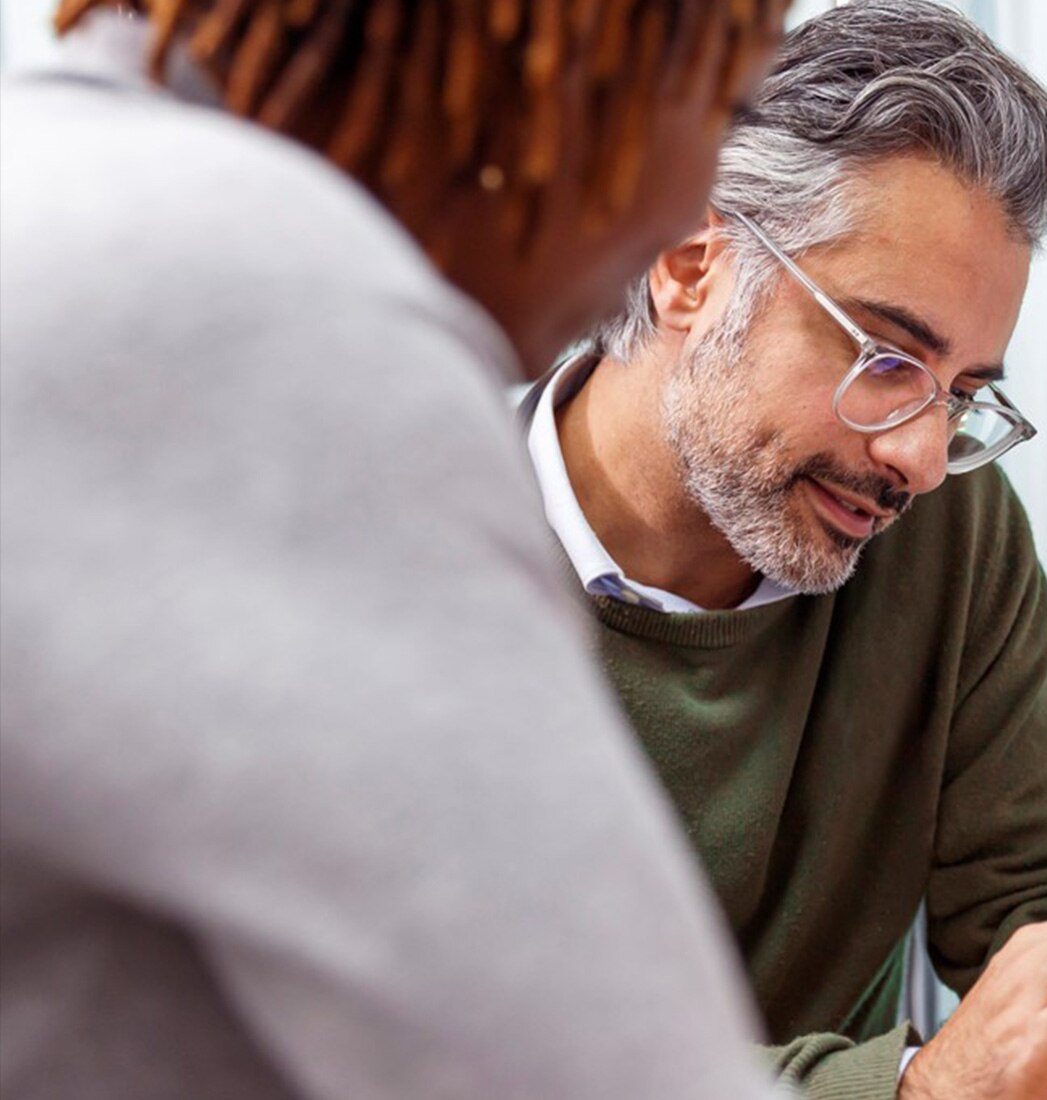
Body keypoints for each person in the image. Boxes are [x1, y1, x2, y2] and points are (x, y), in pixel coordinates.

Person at [0, 2, 787, 1099]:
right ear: (570, 57)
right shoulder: (275, 317)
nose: (686, 216)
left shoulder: (51, 177)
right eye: (727, 109)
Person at [519, 3, 1047, 1099]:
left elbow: (1026, 899)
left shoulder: (952, 533)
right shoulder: (412, 549)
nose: (920, 457)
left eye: (961, 394)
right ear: (689, 265)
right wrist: (916, 1088)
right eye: (885, 357)